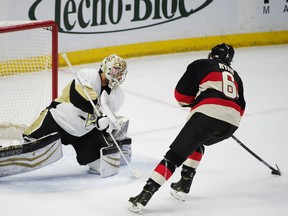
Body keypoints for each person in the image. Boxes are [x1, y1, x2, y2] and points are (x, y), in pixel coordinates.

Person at [128, 43, 246, 212]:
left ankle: (144, 196)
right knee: (197, 143)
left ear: (211, 55)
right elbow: (240, 109)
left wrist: (198, 104)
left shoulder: (202, 64)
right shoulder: (237, 77)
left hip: (206, 116)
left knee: (174, 156)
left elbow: (181, 96)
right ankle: (184, 184)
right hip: (231, 124)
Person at [22, 54, 131, 176]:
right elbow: (78, 98)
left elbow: (106, 119)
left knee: (106, 167)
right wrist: (98, 117)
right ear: (107, 68)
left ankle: (113, 146)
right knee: (29, 144)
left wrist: (108, 125)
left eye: (122, 73)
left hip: (84, 132)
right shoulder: (89, 75)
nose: (119, 75)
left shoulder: (118, 95)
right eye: (116, 70)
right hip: (58, 120)